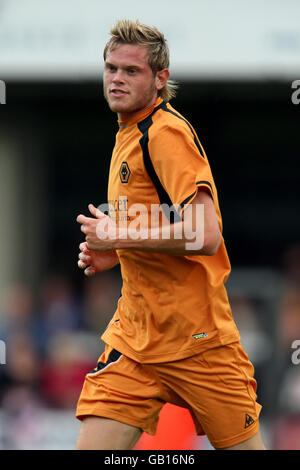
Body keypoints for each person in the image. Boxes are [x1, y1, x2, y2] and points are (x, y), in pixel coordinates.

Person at [75, 19, 266, 450]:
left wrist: (118, 237)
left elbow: (206, 234)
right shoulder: (127, 132)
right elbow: (156, 227)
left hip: (196, 341)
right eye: (111, 69)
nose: (117, 79)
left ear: (160, 78)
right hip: (135, 340)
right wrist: (118, 253)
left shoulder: (165, 133)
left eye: (131, 71)